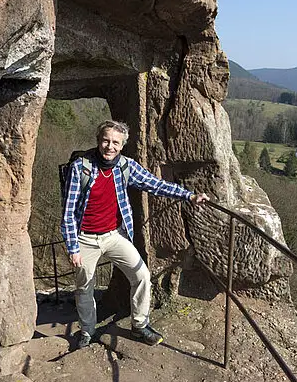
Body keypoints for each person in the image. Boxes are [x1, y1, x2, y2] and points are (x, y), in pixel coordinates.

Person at [61, 120, 209, 349]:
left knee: (141, 275)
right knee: (84, 288)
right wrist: (73, 248)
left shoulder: (126, 167)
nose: (110, 147)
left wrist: (188, 196)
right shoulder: (80, 168)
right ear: (98, 141)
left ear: (122, 146)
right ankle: (88, 331)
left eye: (115, 143)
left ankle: (139, 325)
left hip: (113, 235)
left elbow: (156, 185)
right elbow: (69, 211)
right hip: (84, 239)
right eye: (106, 140)